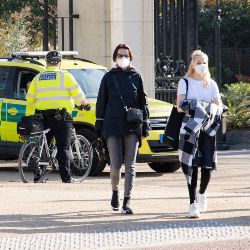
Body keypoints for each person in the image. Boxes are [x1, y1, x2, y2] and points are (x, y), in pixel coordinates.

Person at [95, 43, 150, 214]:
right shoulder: (108, 77)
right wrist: (99, 123)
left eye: (126, 55)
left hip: (132, 125)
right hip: (112, 125)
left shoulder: (136, 76)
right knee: (116, 165)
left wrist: (146, 122)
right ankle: (115, 192)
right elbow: (101, 102)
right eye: (120, 55)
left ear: (130, 57)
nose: (123, 58)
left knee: (130, 165)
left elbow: (143, 101)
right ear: (115, 57)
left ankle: (127, 200)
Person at [26, 50, 90, 183]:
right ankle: (66, 178)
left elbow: (30, 99)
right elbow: (78, 94)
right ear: (59, 63)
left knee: (44, 146)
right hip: (61, 117)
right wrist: (85, 103)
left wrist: (31, 115)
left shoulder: (38, 78)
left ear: (46, 63)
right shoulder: (65, 76)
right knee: (63, 147)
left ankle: (39, 176)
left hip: (43, 117)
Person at [176, 50, 223, 218]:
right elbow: (180, 106)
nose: (201, 66)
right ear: (192, 65)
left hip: (207, 129)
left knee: (207, 166)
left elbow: (219, 107)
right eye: (198, 63)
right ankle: (192, 203)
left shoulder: (212, 85)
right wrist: (197, 106)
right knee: (191, 164)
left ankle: (202, 193)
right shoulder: (185, 82)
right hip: (189, 127)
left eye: (204, 63)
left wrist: (208, 109)